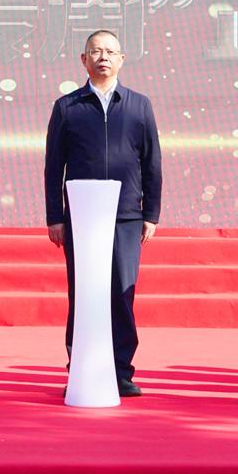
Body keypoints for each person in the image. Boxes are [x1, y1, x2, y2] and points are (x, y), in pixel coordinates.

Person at [43, 30, 162, 396]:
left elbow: (152, 162)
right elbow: (53, 166)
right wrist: (55, 216)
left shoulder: (139, 105)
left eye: (110, 51)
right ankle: (79, 365)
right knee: (83, 292)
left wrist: (151, 213)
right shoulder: (67, 107)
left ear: (122, 59)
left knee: (122, 292)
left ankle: (121, 370)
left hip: (126, 215)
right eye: (95, 51)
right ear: (84, 60)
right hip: (81, 217)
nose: (103, 57)